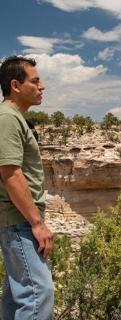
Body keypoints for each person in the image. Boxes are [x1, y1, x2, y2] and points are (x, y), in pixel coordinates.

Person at [0, 56, 54, 319]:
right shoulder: (7, 119)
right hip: (19, 221)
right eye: (35, 80)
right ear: (15, 85)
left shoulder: (15, 118)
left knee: (15, 297)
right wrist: (36, 222)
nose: (42, 86)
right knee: (38, 295)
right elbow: (11, 173)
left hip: (17, 220)